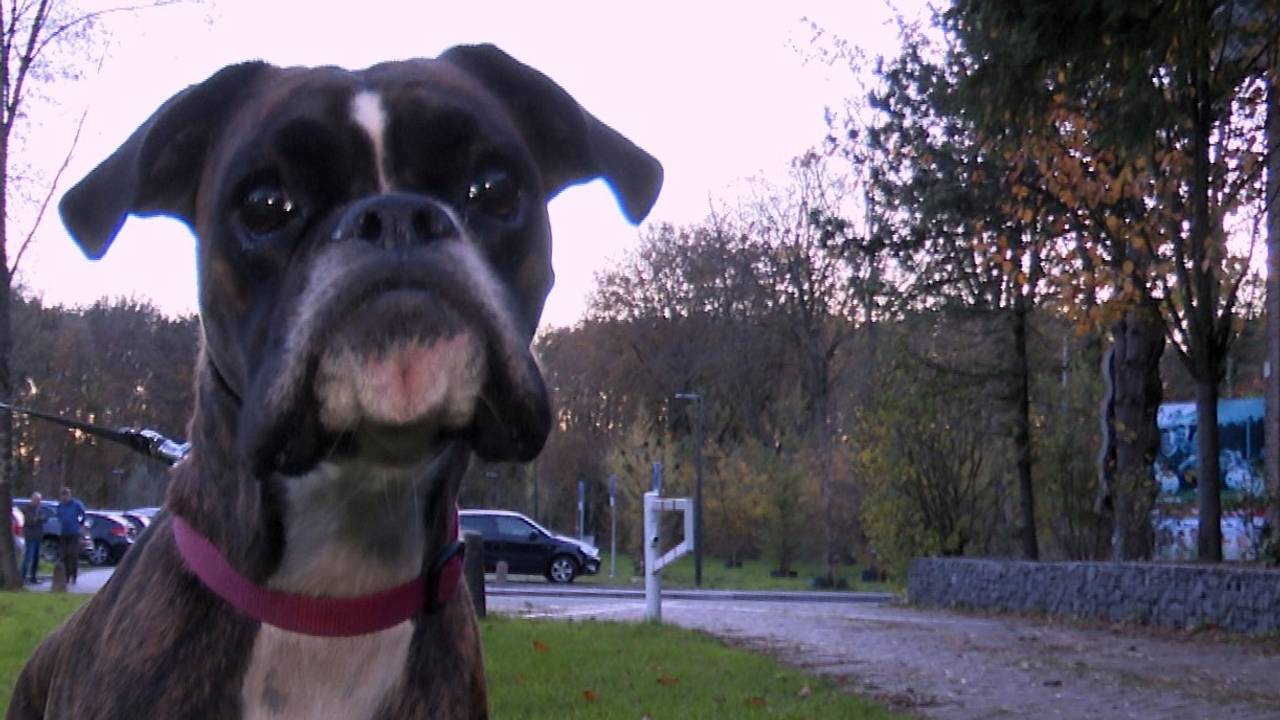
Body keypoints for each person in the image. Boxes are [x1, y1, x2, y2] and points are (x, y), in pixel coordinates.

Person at [56, 486, 86, 584]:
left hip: (74, 533)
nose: (64, 498)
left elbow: (83, 515)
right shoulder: (60, 506)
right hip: (64, 533)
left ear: (69, 495)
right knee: (64, 555)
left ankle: (74, 576)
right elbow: (59, 516)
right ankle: (66, 576)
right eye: (63, 496)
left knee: (73, 555)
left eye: (66, 495)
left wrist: (80, 525)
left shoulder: (76, 505)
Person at [19, 492, 43, 584]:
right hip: (30, 536)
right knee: (28, 557)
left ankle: (33, 577)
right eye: (37, 500)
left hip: (38, 536)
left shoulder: (39, 509)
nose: (38, 502)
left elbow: (43, 518)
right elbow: (29, 521)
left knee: (36, 558)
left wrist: (39, 518)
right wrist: (36, 519)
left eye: (39, 500)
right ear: (32, 499)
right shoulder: (26, 509)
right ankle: (22, 577)